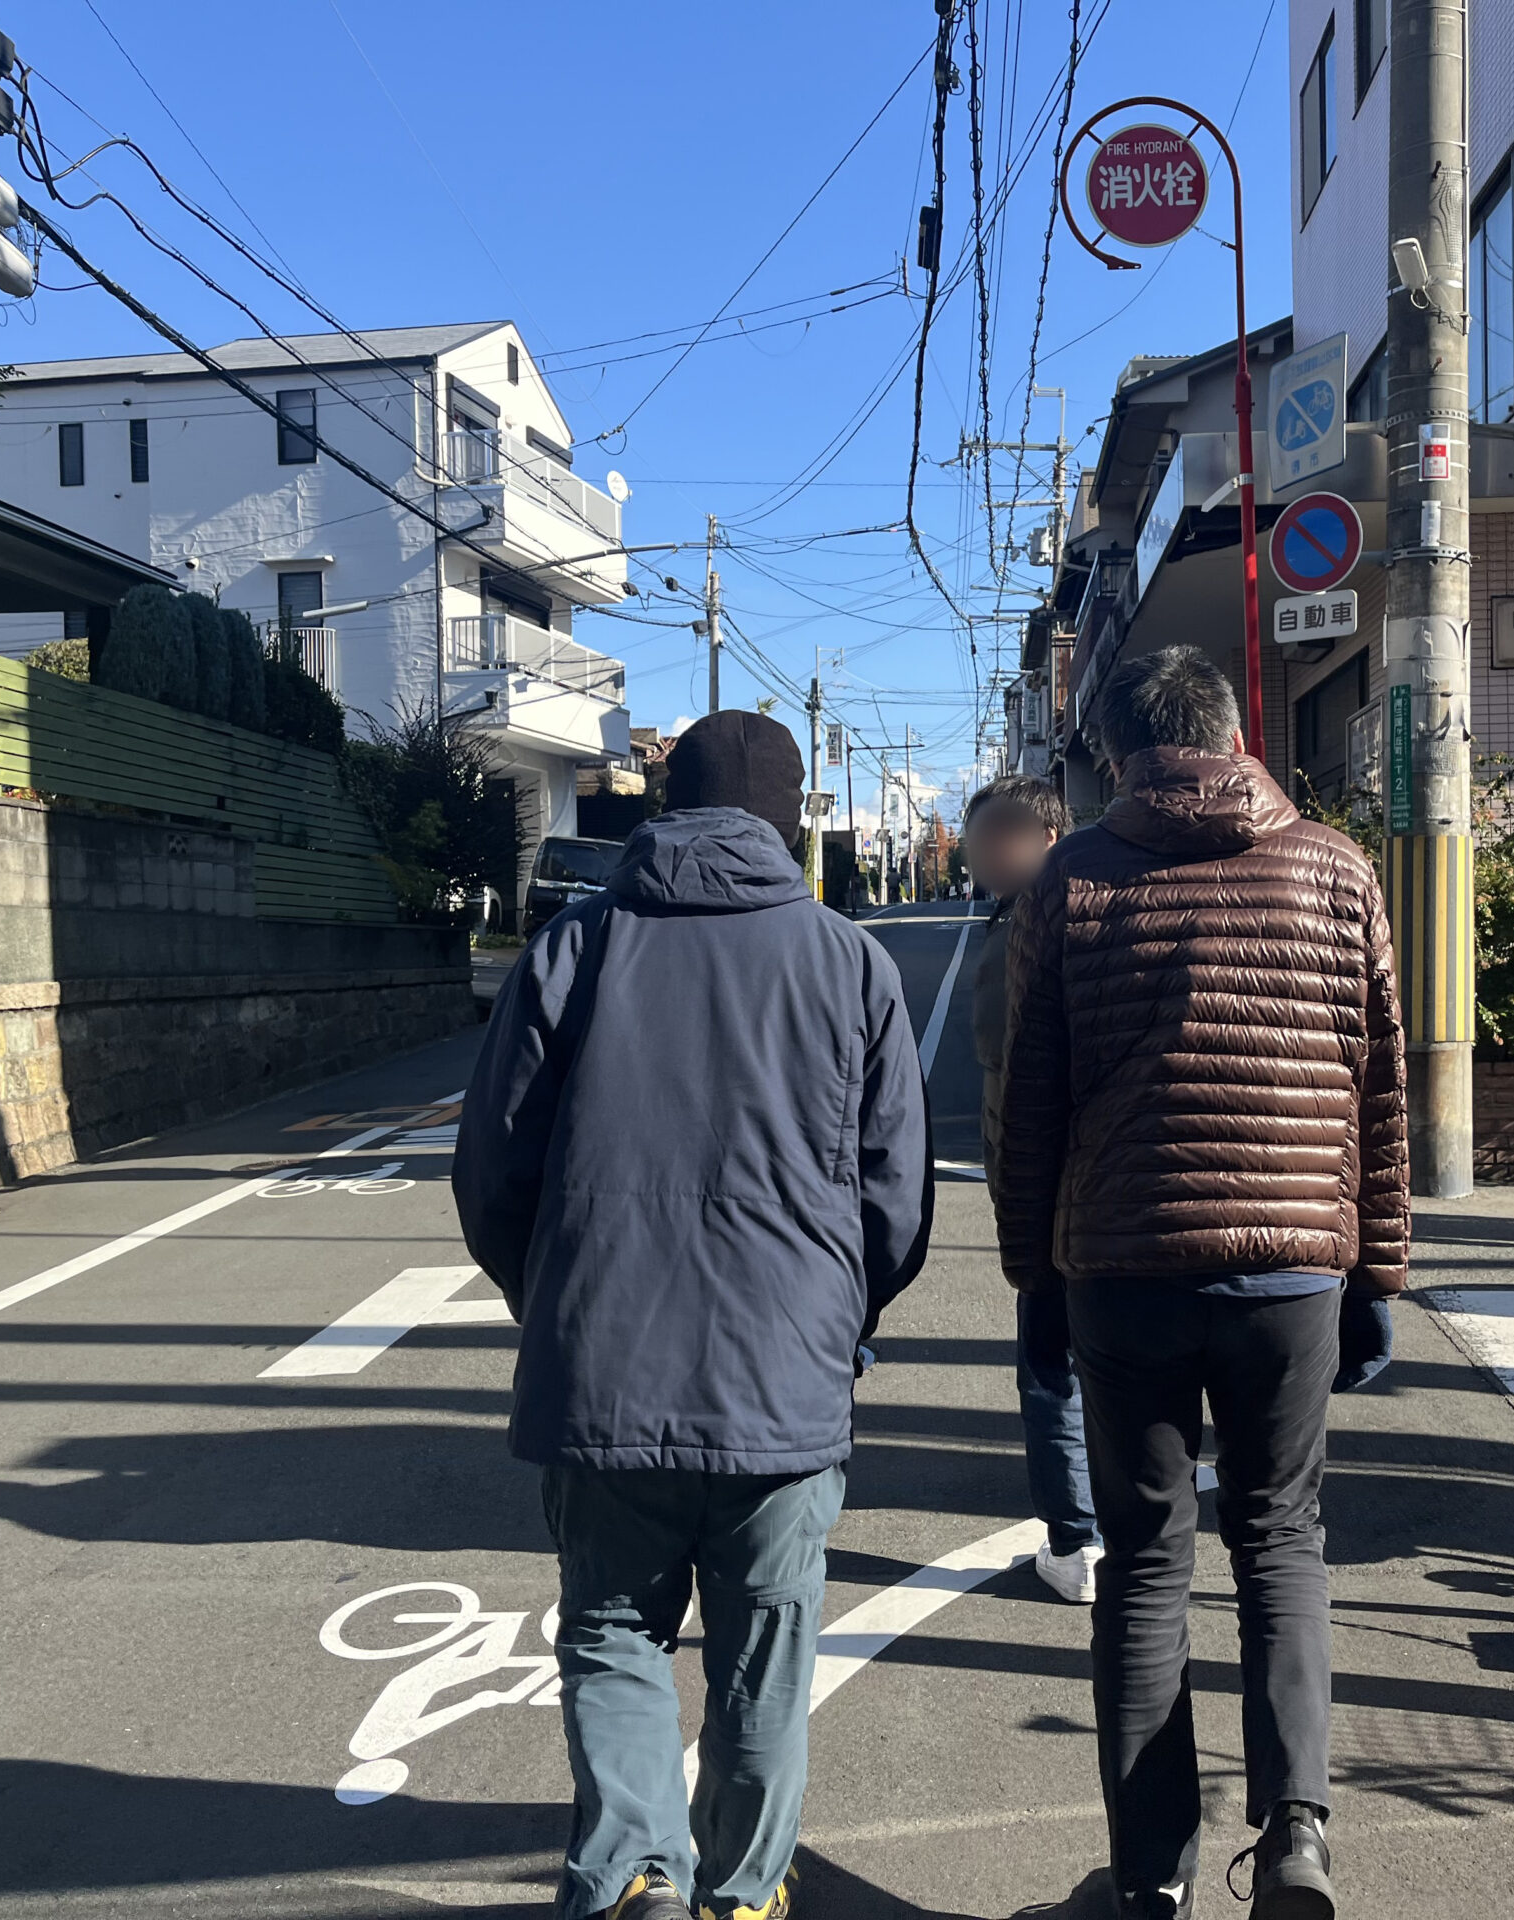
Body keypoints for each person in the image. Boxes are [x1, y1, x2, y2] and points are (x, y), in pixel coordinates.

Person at [453, 710, 932, 1920]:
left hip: (603, 1361)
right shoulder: (850, 963)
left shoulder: (573, 947)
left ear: (665, 810)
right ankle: (743, 1893)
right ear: (791, 817)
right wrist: (840, 1318)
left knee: (612, 1630)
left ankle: (634, 1873)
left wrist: (551, 1302)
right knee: (765, 1651)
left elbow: (492, 1172)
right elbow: (896, 1199)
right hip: (785, 1376)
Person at [993, 647, 1406, 1920]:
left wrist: (1032, 1278)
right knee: (1282, 1542)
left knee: (1142, 1565)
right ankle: (1295, 1839)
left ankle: (1149, 1878)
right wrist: (1375, 1269)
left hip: (1121, 1268)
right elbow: (1379, 1085)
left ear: (1117, 755)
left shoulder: (1072, 879)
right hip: (1291, 1270)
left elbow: (1029, 1107)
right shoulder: (1336, 869)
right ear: (1236, 738)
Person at [963, 773, 1101, 1604]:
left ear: (1047, 837)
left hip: (1055, 1193)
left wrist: (1016, 1208)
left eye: (993, 841)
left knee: (1054, 1369)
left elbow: (1011, 1089)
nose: (977, 858)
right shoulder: (1088, 904)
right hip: (1117, 1191)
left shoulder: (1037, 925)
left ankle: (1078, 1540)